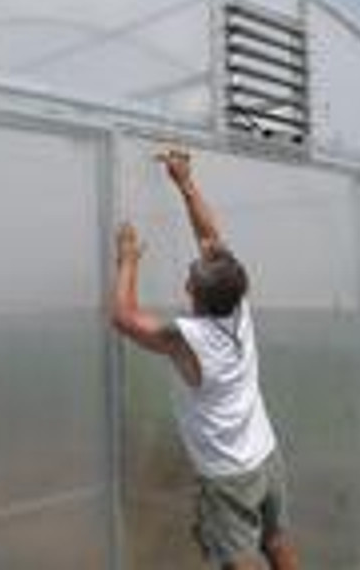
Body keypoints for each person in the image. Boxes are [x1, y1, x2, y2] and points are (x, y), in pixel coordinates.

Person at [111, 149, 299, 570]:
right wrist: (185, 182)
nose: (188, 275)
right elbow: (211, 238)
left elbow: (123, 318)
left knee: (239, 558)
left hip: (228, 474)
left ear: (195, 295)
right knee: (277, 538)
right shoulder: (237, 308)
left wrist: (127, 261)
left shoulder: (189, 338)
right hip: (265, 456)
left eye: (191, 277)